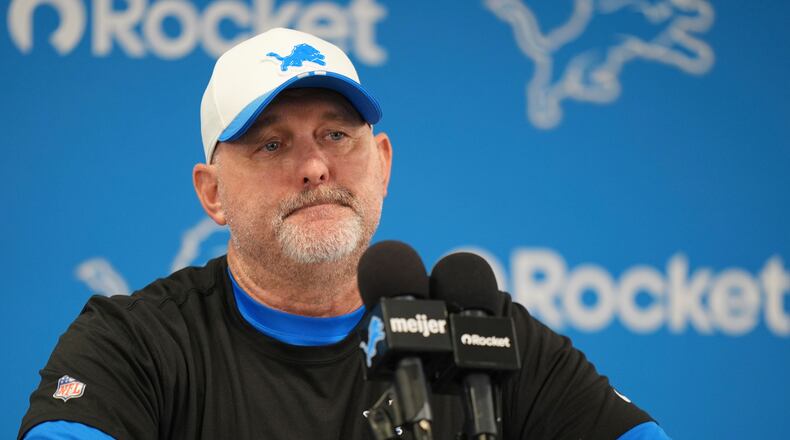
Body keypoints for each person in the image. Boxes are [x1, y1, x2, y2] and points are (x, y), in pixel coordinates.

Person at [19, 28, 670, 439]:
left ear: (381, 162)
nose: (314, 166)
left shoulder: (484, 337)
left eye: (336, 134)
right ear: (212, 193)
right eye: (272, 143)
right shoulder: (134, 344)